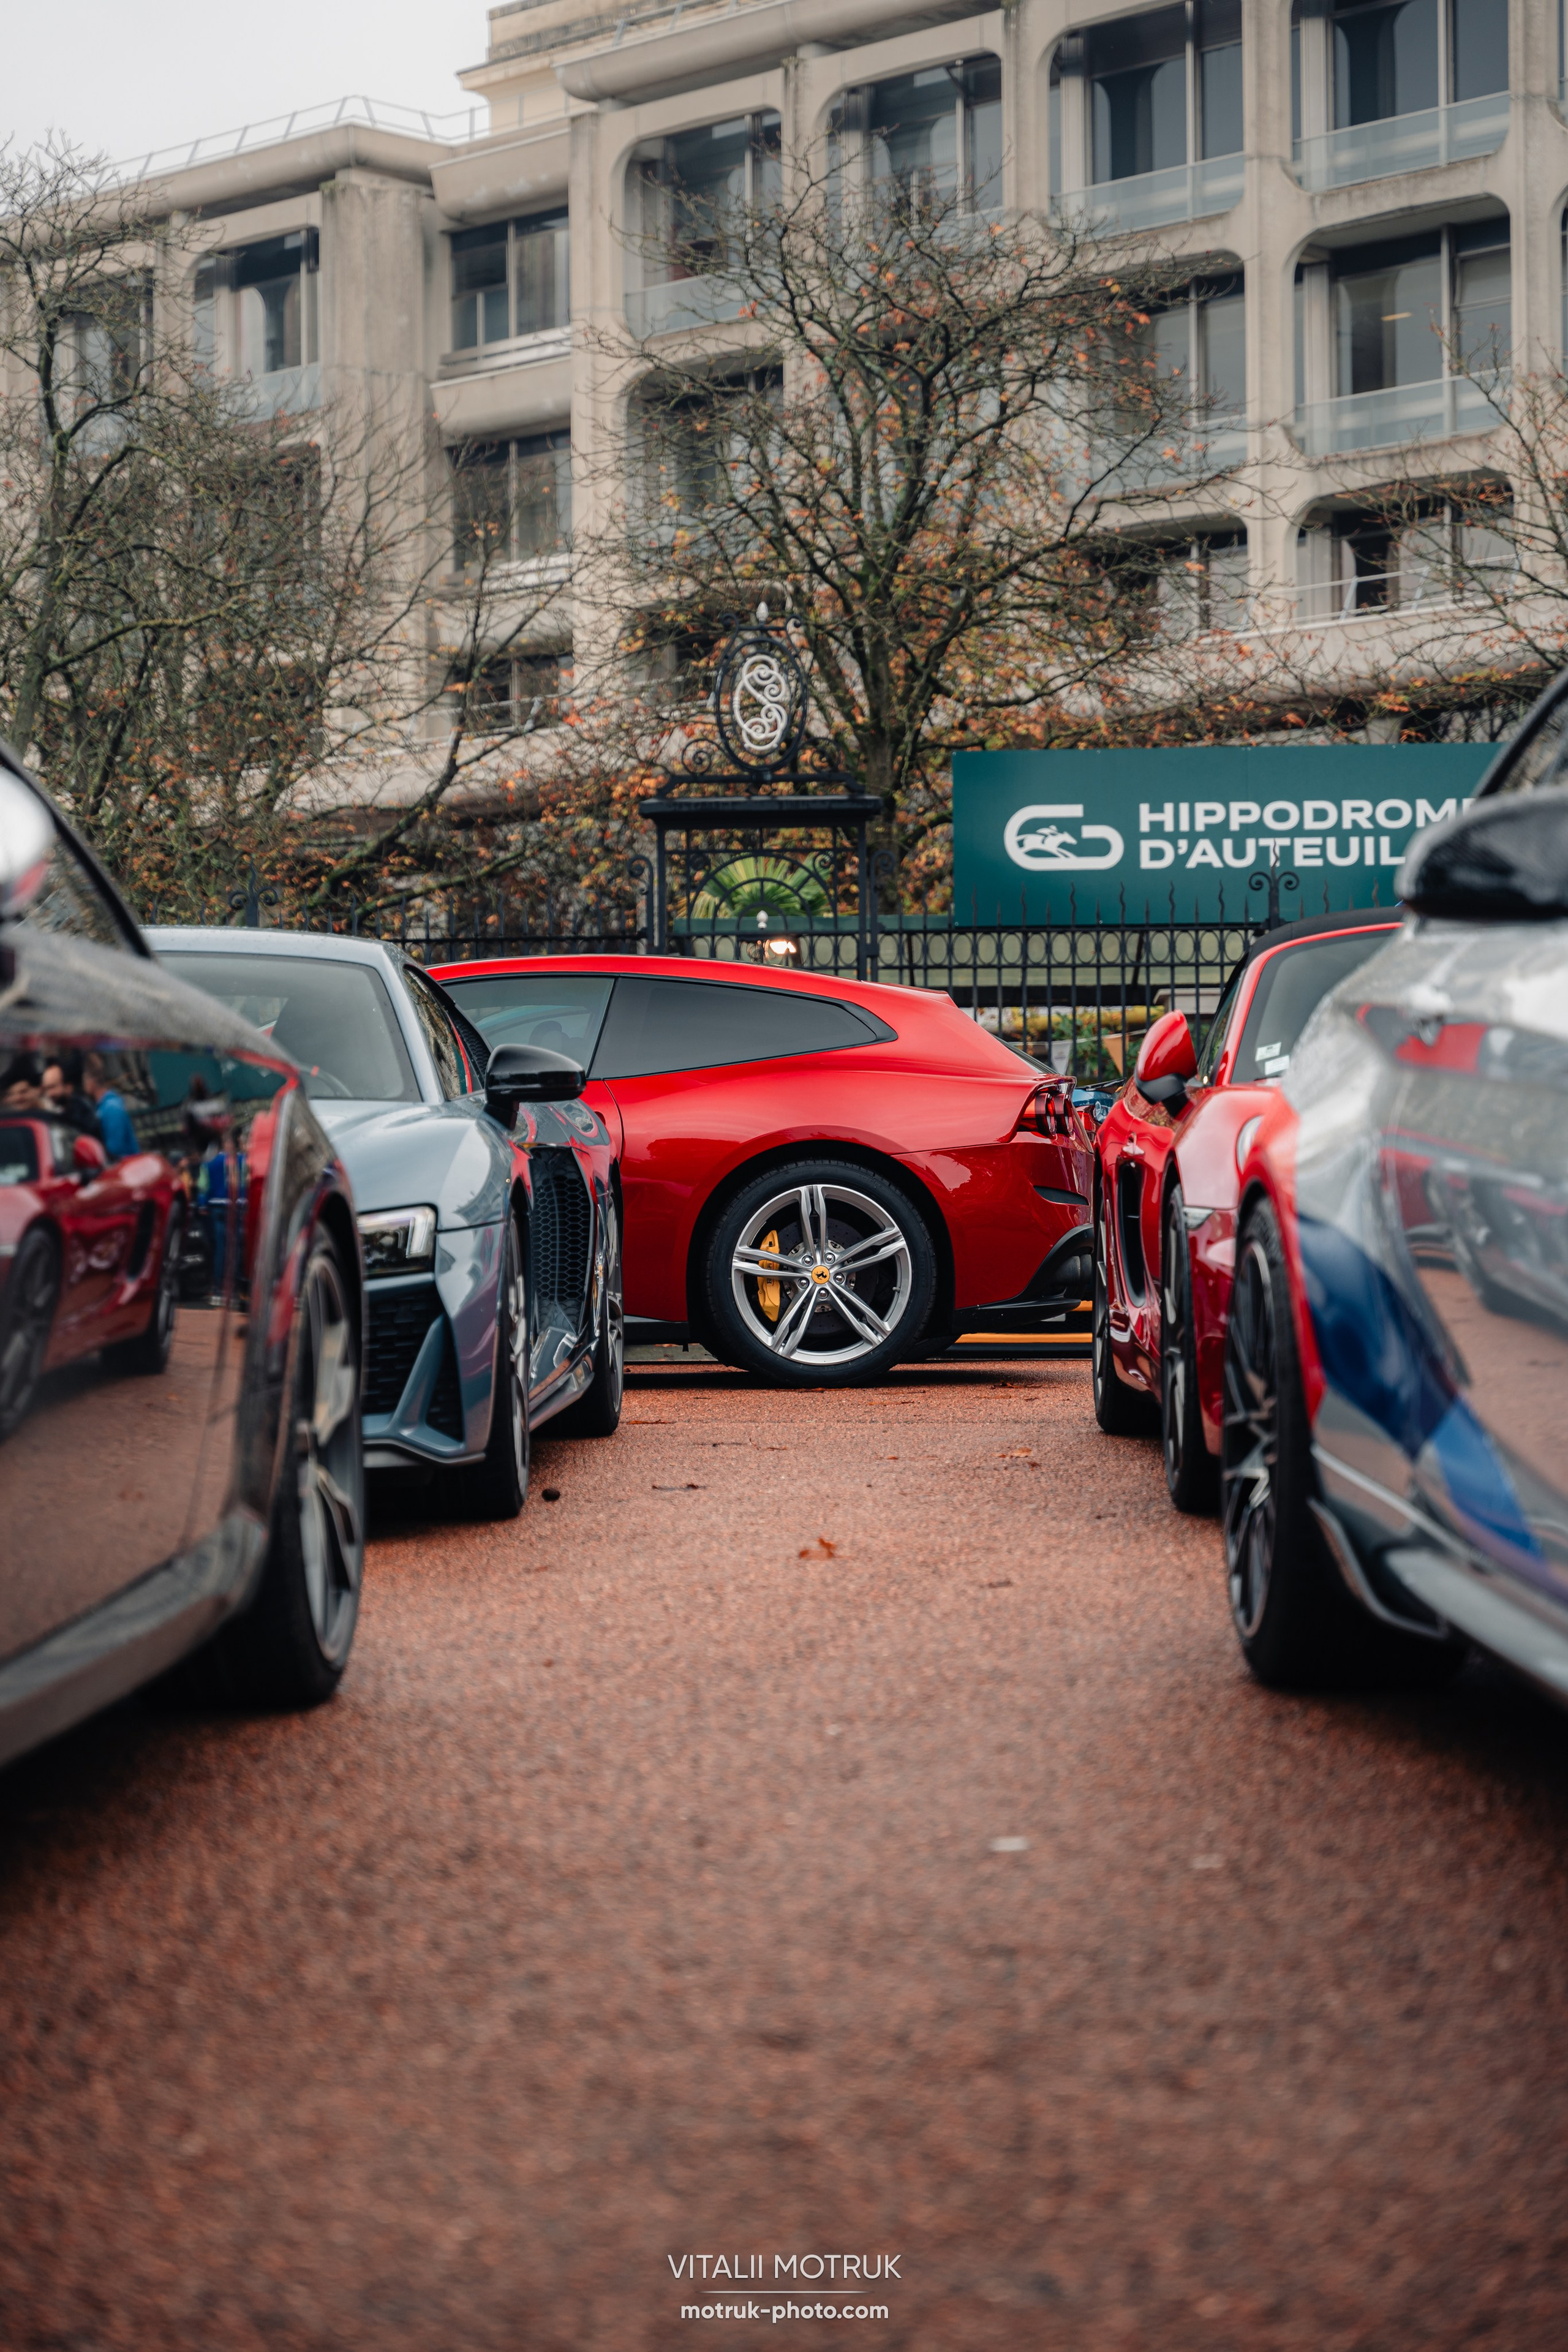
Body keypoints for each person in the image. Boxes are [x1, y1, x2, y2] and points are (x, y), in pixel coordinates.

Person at [81, 1051, 138, 1161]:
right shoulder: (101, 1107)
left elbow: (116, 1150)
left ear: (91, 1080)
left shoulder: (111, 1108)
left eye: (84, 1079)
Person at [40, 1051, 103, 1142]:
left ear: (68, 1087)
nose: (49, 1094)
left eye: (53, 1087)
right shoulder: (65, 1111)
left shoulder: (81, 1114)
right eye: (46, 1089)